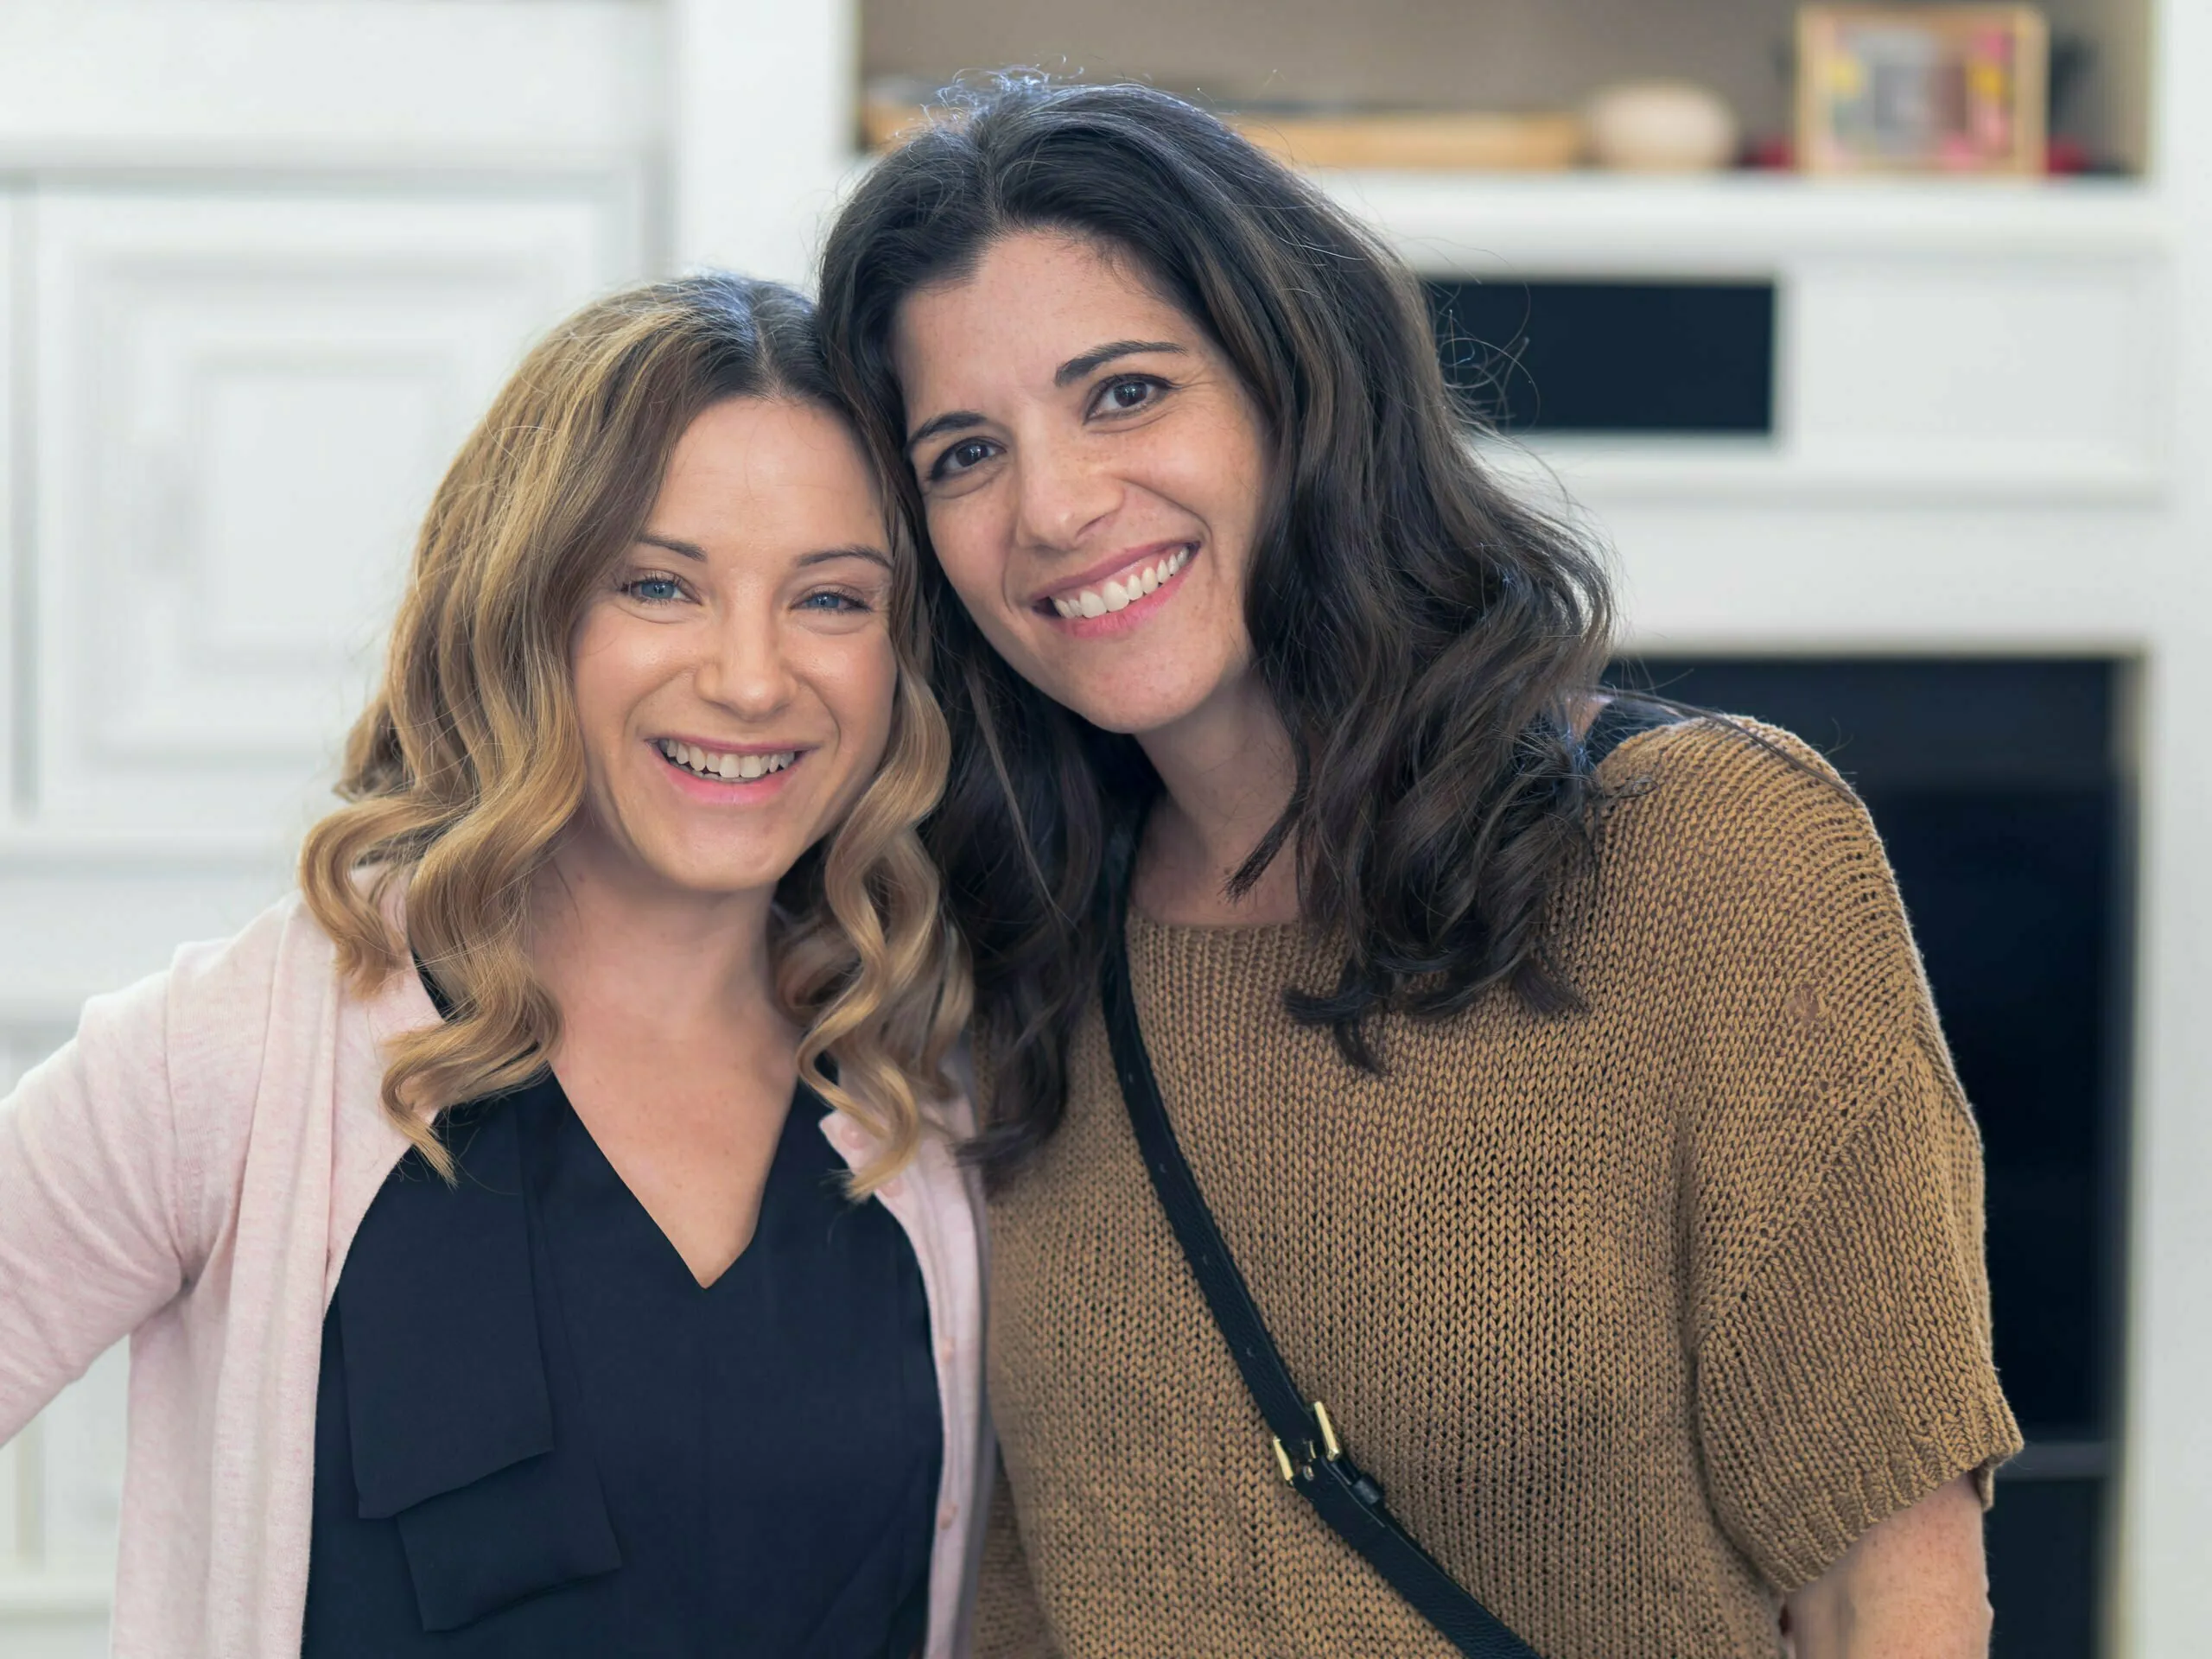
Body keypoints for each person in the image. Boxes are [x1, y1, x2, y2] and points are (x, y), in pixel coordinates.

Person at [818, 80, 2020, 1659]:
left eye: (1122, 393)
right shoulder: (1010, 942)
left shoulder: (1712, 859)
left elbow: (1892, 1599)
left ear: (1294, 382)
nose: (1052, 507)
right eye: (966, 452)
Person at [0, 275, 988, 1658]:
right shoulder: (236, 1061)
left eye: (832, 599)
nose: (754, 679)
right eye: (659, 586)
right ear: (527, 610)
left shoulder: (942, 1096)